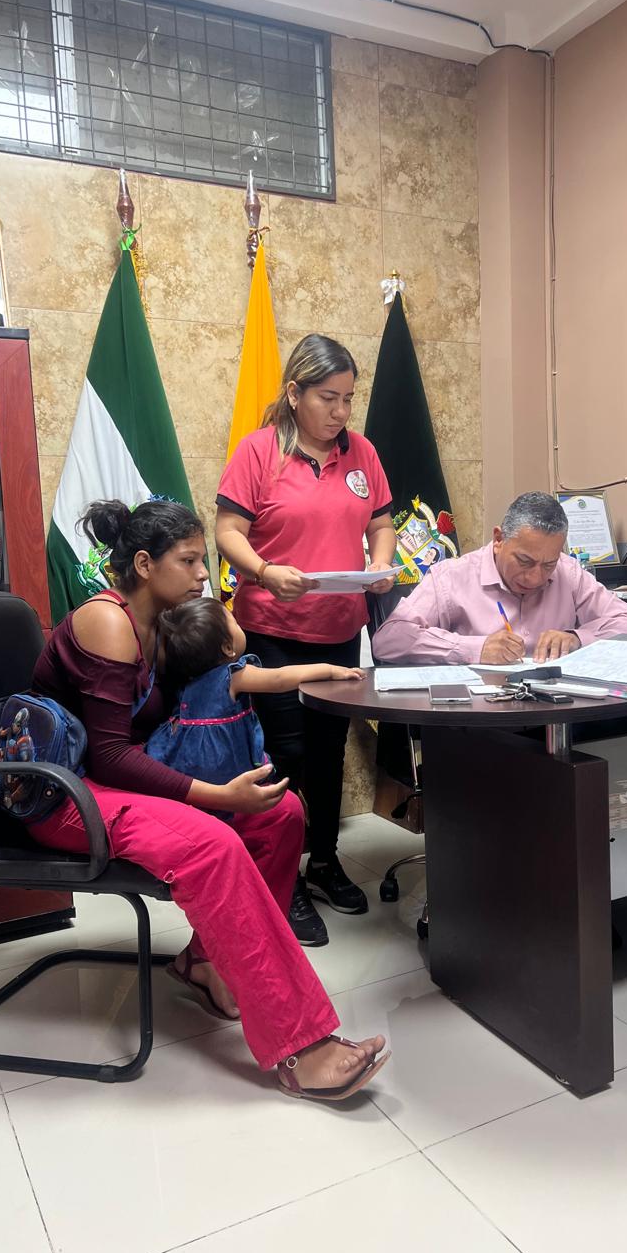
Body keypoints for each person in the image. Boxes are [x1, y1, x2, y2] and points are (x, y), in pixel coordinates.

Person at [31, 498, 389, 1102]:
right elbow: (110, 755)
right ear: (144, 565)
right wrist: (218, 795)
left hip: (117, 781)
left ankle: (204, 963)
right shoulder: (108, 621)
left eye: (204, 560)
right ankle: (300, 1045)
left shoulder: (165, 623)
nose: (204, 574)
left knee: (282, 814)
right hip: (65, 792)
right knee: (214, 842)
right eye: (190, 560)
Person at [215, 334, 397, 948]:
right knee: (284, 754)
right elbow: (228, 530)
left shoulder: (361, 453)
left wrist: (381, 563)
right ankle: (281, 876)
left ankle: (323, 860)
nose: (340, 411)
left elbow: (381, 523)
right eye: (327, 398)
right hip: (272, 629)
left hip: (339, 629)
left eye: (348, 398)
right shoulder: (259, 450)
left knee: (327, 751)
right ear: (294, 393)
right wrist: (265, 571)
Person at [372, 490, 627, 665]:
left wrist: (578, 638)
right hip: (477, 724)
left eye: (548, 564)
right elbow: (389, 640)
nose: (535, 577)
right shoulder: (453, 577)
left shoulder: (568, 572)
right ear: (498, 539)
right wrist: (474, 648)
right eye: (524, 561)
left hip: (556, 715)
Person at [145, 596, 364, 803]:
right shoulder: (233, 676)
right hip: (222, 764)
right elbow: (279, 678)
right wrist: (331, 670)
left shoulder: (184, 678)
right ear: (228, 648)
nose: (237, 620)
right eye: (233, 621)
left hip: (184, 764)